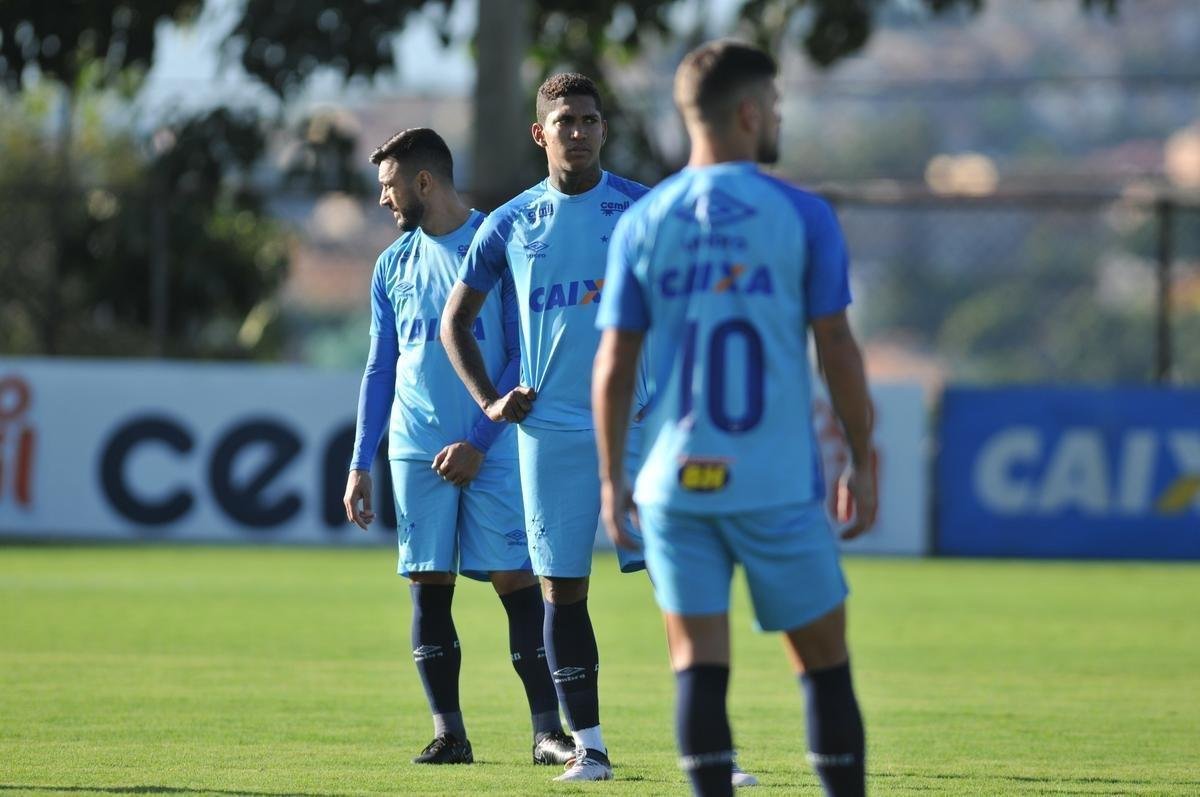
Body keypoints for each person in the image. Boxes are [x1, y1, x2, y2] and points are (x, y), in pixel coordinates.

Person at [592, 40, 878, 797]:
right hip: (776, 484)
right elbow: (838, 349)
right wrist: (864, 456)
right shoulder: (802, 215)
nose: (778, 115)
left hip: (677, 486)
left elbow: (614, 367)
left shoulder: (644, 221)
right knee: (823, 667)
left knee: (698, 667)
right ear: (750, 113)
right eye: (776, 104)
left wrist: (611, 480)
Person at [438, 73, 650, 783]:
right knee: (562, 590)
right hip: (551, 432)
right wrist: (490, 401)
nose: (581, 131)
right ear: (541, 133)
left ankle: (720, 751)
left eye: (591, 119)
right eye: (566, 121)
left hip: (640, 425)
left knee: (688, 578)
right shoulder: (510, 223)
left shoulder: (641, 211)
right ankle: (590, 749)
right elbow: (456, 322)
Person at [343, 127, 576, 770]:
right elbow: (379, 370)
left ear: (424, 182)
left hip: (494, 448)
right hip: (415, 451)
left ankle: (546, 733)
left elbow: (520, 358)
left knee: (517, 584)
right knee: (428, 588)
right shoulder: (392, 265)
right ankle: (450, 734)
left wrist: (478, 440)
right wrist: (362, 461)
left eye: (390, 187)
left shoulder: (493, 244)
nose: (384, 201)